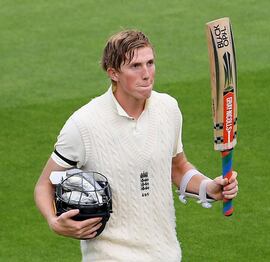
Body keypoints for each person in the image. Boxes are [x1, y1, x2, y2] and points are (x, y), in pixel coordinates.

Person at [34, 29, 238, 261]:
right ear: (113, 73)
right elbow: (44, 186)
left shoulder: (168, 108)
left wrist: (209, 188)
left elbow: (177, 168)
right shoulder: (84, 124)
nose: (146, 74)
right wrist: (54, 222)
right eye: (135, 66)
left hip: (166, 253)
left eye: (150, 63)